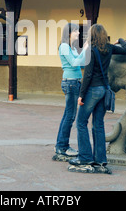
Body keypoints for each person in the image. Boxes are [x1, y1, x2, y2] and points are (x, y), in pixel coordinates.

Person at [68, 24, 126, 173]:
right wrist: (120, 40)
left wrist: (81, 95)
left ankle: (85, 157)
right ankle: (100, 160)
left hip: (92, 90)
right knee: (98, 124)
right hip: (104, 89)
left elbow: (88, 74)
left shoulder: (91, 50)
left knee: (81, 122)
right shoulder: (109, 48)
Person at [54, 23, 88, 160]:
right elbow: (74, 63)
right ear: (68, 33)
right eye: (75, 31)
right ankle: (62, 147)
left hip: (74, 82)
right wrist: (85, 49)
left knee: (68, 115)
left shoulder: (71, 47)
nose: (78, 33)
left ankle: (61, 145)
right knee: (70, 116)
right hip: (71, 83)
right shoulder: (64, 47)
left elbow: (79, 62)